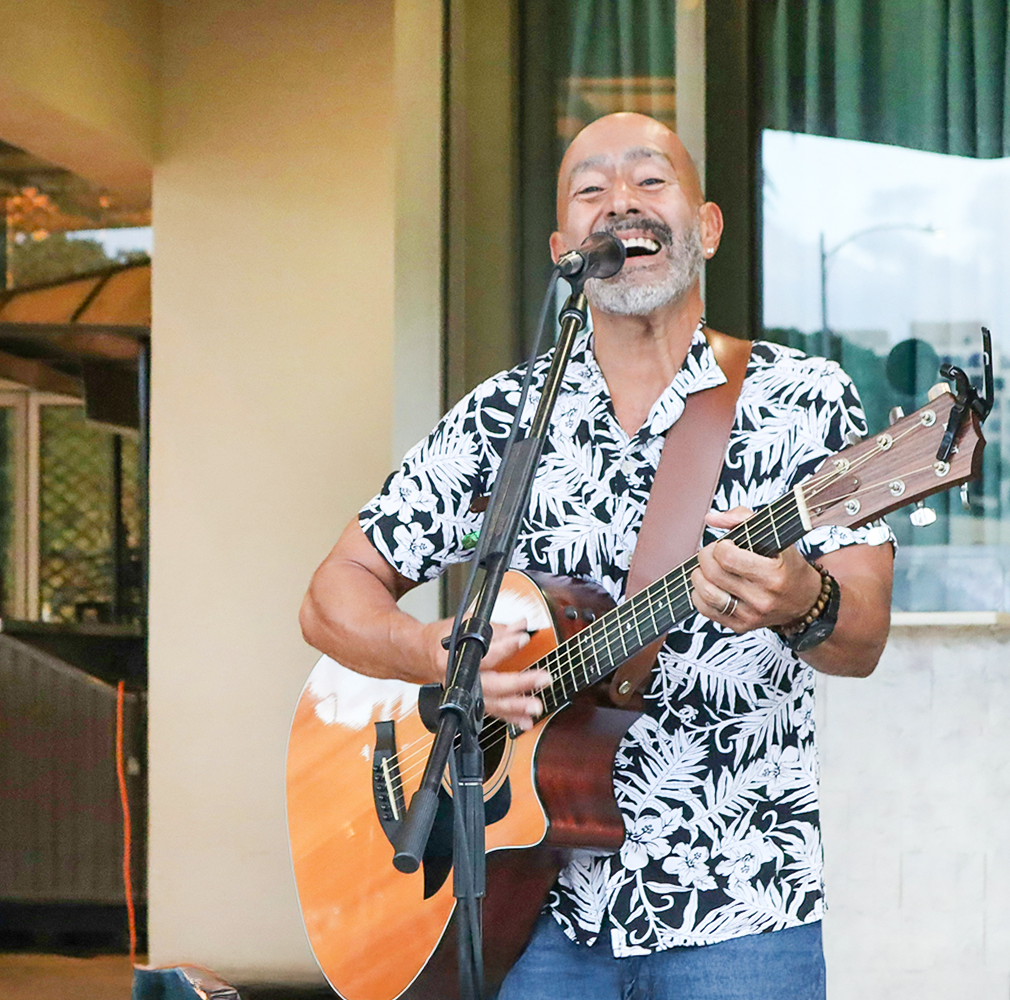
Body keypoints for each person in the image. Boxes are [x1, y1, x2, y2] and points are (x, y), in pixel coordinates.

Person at [299, 112, 895, 1000]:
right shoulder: (506, 416)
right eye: (591, 188)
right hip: (528, 909)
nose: (621, 202)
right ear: (563, 246)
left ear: (708, 227)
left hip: (737, 902)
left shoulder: (801, 400)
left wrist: (800, 599)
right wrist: (437, 658)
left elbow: (864, 634)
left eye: (651, 181)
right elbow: (333, 594)